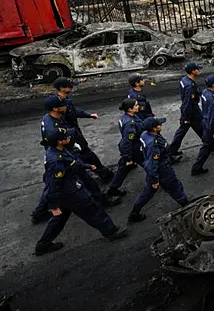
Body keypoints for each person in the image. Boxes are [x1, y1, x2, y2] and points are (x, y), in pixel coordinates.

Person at [34, 127, 127, 255]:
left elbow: (72, 162)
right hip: (71, 192)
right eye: (66, 137)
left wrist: (87, 166)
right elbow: (52, 183)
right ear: (60, 141)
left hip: (64, 193)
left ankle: (42, 245)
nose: (69, 138)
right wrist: (53, 205)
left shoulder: (56, 150)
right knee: (93, 210)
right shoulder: (56, 160)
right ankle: (110, 231)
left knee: (59, 219)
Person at [32, 96, 117, 225]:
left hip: (65, 153)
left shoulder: (51, 118)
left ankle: (39, 212)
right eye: (63, 105)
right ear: (55, 108)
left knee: (52, 184)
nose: (66, 106)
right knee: (81, 179)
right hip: (64, 156)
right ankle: (102, 201)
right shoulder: (52, 126)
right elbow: (56, 141)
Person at [128, 117, 190, 223]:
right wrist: (155, 180)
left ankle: (134, 212)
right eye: (159, 125)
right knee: (174, 187)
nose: (161, 125)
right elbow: (151, 164)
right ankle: (187, 205)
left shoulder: (145, 135)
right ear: (154, 128)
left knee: (147, 192)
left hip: (156, 169)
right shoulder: (153, 144)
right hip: (162, 169)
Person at [53, 77, 113, 182]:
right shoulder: (59, 105)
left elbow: (74, 111)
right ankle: (102, 174)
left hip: (74, 132)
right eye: (69, 86)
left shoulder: (66, 100)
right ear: (62, 88)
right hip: (71, 135)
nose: (72, 88)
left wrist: (89, 115)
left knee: (82, 155)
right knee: (85, 154)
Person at [106, 99, 144, 198]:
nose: (138, 106)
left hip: (131, 149)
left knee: (123, 169)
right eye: (136, 105)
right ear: (130, 109)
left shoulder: (128, 117)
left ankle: (113, 189)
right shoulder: (129, 123)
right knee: (149, 164)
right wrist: (128, 158)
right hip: (134, 149)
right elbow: (127, 142)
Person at [192, 75, 214, 176]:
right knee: (211, 145)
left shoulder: (205, 93)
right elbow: (213, 117)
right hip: (213, 126)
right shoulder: (212, 99)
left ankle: (197, 167)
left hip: (206, 123)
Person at [169, 62, 203, 159]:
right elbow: (188, 102)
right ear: (193, 71)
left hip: (189, 110)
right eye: (197, 69)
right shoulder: (190, 86)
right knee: (185, 129)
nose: (198, 70)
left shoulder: (184, 80)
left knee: (200, 127)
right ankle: (171, 151)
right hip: (191, 111)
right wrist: (186, 117)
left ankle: (208, 142)